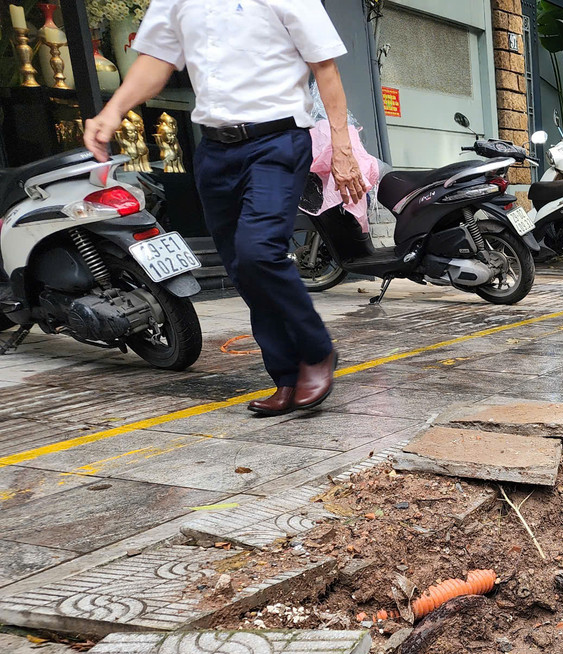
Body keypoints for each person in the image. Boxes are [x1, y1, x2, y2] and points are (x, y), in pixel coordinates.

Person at [82, 1, 366, 417]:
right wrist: (112, 110)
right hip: (214, 150)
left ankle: (317, 350)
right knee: (241, 268)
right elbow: (156, 61)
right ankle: (285, 376)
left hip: (277, 141)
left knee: (259, 251)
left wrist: (342, 148)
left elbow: (325, 68)